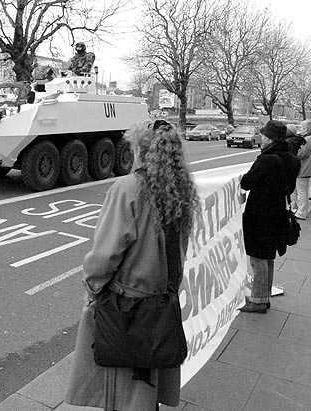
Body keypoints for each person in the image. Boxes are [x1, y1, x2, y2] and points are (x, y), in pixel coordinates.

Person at [65, 120, 198, 410]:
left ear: (140, 150)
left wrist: (92, 287)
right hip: (161, 301)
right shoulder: (180, 189)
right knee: (147, 382)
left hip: (126, 305)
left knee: (121, 387)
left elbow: (105, 255)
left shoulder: (129, 188)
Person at [239, 120, 300, 313]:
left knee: (258, 258)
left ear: (269, 139)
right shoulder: (293, 160)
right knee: (267, 256)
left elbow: (246, 183)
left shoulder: (266, 160)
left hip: (259, 214)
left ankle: (257, 301)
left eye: (263, 135)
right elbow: (290, 188)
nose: (261, 138)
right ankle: (263, 297)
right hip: (278, 212)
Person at [292, 120, 311, 220]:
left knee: (301, 192)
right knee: (303, 191)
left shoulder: (307, 139)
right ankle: (302, 210)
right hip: (308, 168)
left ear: (307, 129)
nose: (300, 129)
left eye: (302, 127)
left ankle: (301, 212)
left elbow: (301, 154)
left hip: (303, 169)